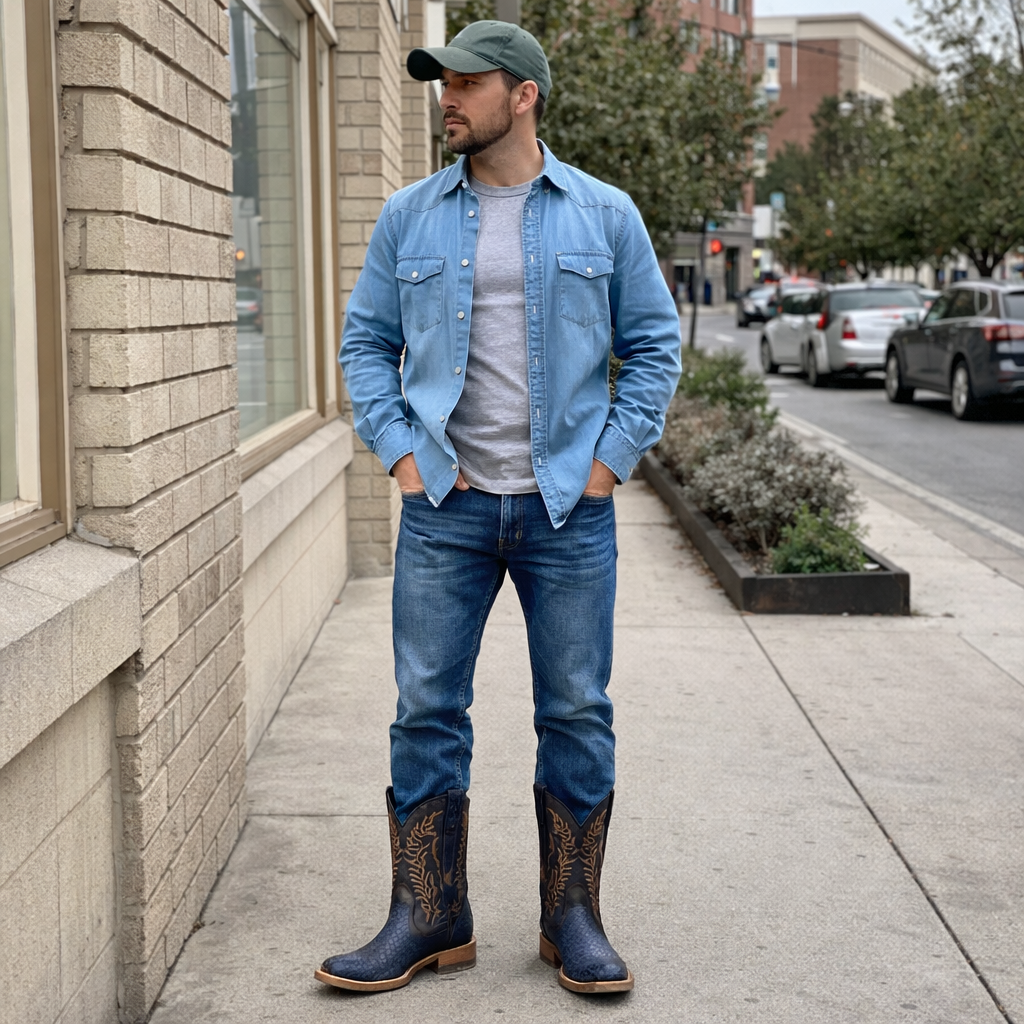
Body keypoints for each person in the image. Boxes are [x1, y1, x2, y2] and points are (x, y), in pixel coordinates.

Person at [314, 20, 681, 996]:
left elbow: (653, 347)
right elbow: (364, 345)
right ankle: (430, 911)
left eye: (466, 84)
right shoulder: (409, 217)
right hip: (447, 506)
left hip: (569, 510)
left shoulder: (604, 215)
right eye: (443, 83)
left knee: (575, 711)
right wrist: (400, 456)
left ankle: (572, 917)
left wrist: (606, 464)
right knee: (425, 711)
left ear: (522, 95)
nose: (447, 98)